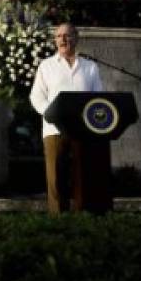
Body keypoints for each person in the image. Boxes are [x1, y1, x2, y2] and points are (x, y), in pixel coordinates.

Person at [29, 23, 104, 214]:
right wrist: (53, 114)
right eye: (59, 36)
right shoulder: (46, 66)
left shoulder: (90, 67)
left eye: (67, 35)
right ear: (55, 40)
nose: (63, 39)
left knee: (82, 176)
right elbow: (36, 96)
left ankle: (82, 215)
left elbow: (98, 97)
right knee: (56, 177)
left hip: (84, 130)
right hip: (55, 130)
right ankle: (57, 218)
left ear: (76, 38)